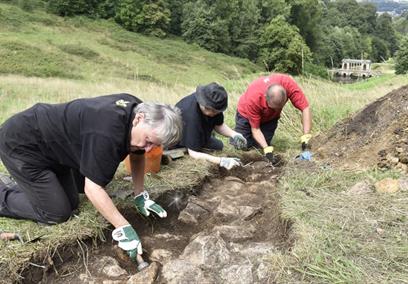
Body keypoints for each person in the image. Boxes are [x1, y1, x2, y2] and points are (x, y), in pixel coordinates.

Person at [0, 93, 182, 261]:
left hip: (55, 151)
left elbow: (137, 154)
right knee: (56, 213)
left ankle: (29, 187)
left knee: (72, 203)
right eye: (148, 141)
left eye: (154, 145)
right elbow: (93, 188)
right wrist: (124, 227)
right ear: (139, 119)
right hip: (22, 145)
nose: (148, 149)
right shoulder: (108, 133)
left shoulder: (137, 111)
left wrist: (139, 194)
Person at [232, 73, 312, 163]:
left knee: (259, 147)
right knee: (242, 145)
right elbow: (256, 129)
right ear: (265, 97)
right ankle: (233, 134)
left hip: (270, 119)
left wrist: (306, 135)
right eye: (273, 108)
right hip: (245, 115)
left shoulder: (288, 84)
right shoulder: (253, 98)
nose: (276, 110)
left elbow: (305, 108)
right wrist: (267, 149)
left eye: (279, 107)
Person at [175, 82, 247, 170]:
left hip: (201, 133)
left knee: (218, 146)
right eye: (210, 110)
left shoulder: (215, 106)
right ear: (203, 103)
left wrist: (234, 134)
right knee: (197, 150)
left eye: (216, 112)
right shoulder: (190, 115)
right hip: (182, 139)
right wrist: (221, 161)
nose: (212, 114)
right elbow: (193, 153)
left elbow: (218, 125)